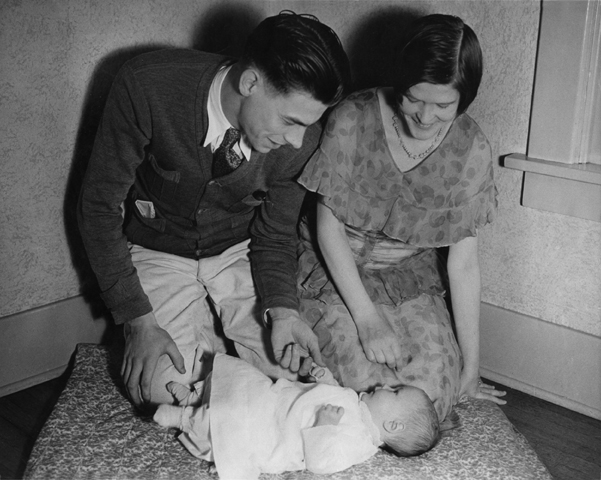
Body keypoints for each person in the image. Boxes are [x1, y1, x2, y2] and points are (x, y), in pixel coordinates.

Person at [77, 11, 351, 408]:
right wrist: (137, 320)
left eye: (305, 126)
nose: (296, 141)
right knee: (163, 391)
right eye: (290, 121)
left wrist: (284, 312)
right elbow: (98, 208)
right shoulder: (147, 85)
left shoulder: (304, 142)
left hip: (239, 252)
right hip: (158, 251)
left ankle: (214, 340)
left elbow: (274, 235)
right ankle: (206, 338)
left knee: (298, 384)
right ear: (251, 82)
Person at [295, 13, 506, 422]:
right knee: (359, 387)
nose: (425, 118)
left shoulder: (472, 149)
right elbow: (328, 229)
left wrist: (472, 368)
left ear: (465, 98)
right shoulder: (352, 118)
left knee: (430, 399)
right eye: (414, 98)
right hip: (332, 266)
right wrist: (368, 320)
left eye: (444, 105)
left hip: (408, 277)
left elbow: (463, 265)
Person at [153, 354, 458, 479]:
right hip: (275, 401)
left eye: (394, 393)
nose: (385, 385)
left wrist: (324, 427)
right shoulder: (357, 403)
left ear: (392, 425)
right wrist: (322, 377)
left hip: (273, 433)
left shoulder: (361, 444)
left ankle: (184, 417)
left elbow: (322, 463)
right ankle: (196, 397)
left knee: (235, 421)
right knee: (244, 383)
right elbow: (332, 393)